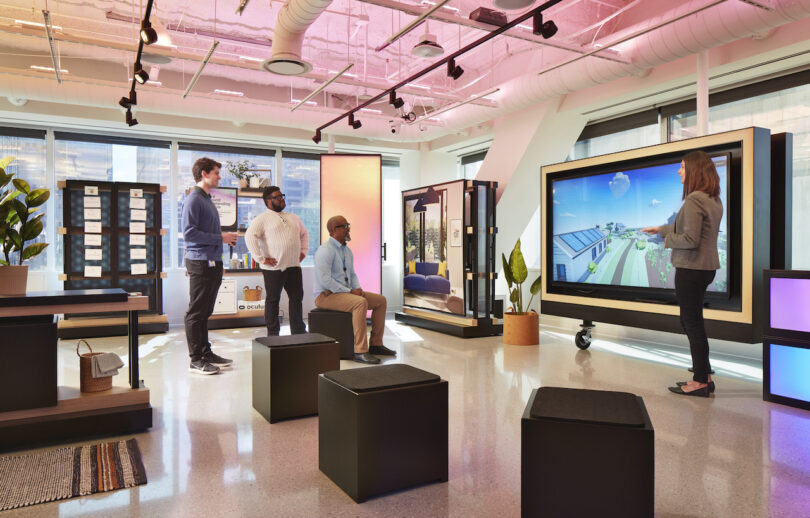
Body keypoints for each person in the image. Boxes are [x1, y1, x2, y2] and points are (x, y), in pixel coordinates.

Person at [641, 150, 723, 397]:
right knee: (692, 322)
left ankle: (700, 381)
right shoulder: (713, 199)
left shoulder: (694, 199)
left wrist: (664, 239)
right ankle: (704, 375)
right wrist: (662, 228)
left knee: (692, 323)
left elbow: (688, 238)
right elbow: (688, 227)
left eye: (683, 167)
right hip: (705, 268)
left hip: (691, 268)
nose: (679, 171)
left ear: (694, 171)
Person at [313, 215, 396, 364]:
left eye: (348, 225)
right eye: (344, 226)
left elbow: (352, 274)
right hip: (326, 296)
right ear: (333, 230)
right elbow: (325, 280)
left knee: (380, 301)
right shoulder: (325, 251)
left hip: (343, 293)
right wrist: (350, 292)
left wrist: (357, 288)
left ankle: (376, 344)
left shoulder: (347, 251)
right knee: (360, 303)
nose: (348, 229)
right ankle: (360, 351)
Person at [182, 157, 238, 375]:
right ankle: (196, 359)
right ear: (204, 173)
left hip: (211, 261)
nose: (219, 177)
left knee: (205, 311)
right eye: (216, 173)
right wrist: (221, 238)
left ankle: (206, 352)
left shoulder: (206, 198)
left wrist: (219, 259)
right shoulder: (194, 199)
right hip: (200, 261)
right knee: (196, 312)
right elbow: (189, 234)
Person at [245, 186, 309, 336]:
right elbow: (249, 236)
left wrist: (303, 252)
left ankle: (298, 330)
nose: (282, 199)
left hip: (293, 266)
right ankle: (273, 333)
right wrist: (260, 258)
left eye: (282, 196)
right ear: (268, 201)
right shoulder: (262, 219)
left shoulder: (293, 217)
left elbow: (304, 234)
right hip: (274, 269)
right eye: (278, 197)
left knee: (296, 298)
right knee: (273, 300)